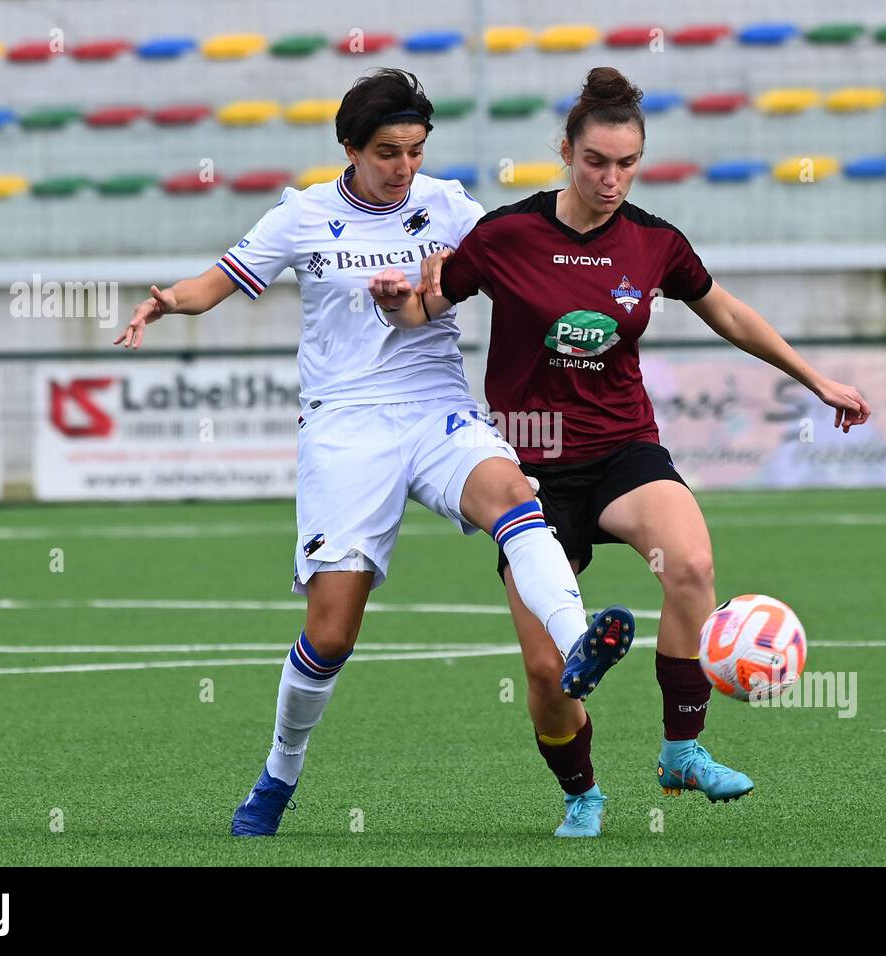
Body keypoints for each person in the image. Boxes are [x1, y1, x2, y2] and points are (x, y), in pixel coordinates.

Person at [113, 69, 635, 838]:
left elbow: (523, 258)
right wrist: (165, 301)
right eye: (388, 151)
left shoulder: (451, 206)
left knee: (516, 501)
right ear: (350, 147)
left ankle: (577, 645)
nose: (404, 167)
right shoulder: (302, 216)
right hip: (346, 427)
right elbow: (216, 282)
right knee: (331, 634)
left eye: (416, 150)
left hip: (435, 409)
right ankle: (277, 777)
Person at [368, 66, 871, 838]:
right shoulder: (505, 235)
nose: (611, 179)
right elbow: (423, 310)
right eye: (596, 161)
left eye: (627, 163)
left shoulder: (655, 242)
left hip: (622, 450)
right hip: (530, 469)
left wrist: (814, 377)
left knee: (693, 564)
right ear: (566, 151)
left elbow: (727, 313)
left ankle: (682, 751)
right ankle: (582, 794)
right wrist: (396, 299)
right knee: (545, 671)